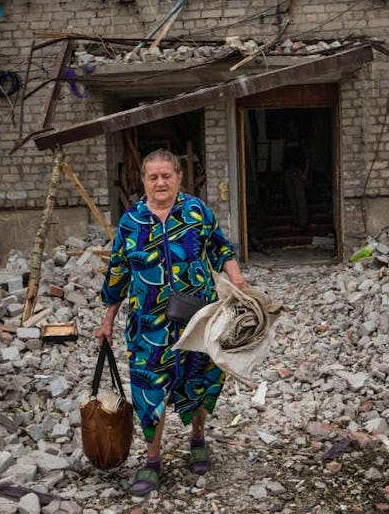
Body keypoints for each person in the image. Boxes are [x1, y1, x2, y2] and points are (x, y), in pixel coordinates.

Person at [95, 149, 248, 496]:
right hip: (149, 326)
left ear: (179, 177)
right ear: (143, 181)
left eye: (167, 175)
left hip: (198, 320)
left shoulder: (196, 212)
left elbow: (221, 249)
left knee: (200, 379)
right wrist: (107, 321)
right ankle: (152, 460)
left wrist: (237, 280)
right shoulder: (131, 223)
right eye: (153, 177)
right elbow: (117, 274)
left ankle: (198, 439)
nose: (160, 182)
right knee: (148, 390)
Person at [281, 120, 309, 229]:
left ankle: (303, 221)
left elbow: (307, 156)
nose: (291, 128)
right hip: (288, 170)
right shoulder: (287, 140)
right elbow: (285, 156)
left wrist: (305, 171)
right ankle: (296, 220)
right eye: (290, 126)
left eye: (293, 126)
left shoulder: (301, 139)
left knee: (300, 196)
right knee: (291, 196)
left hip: (298, 170)